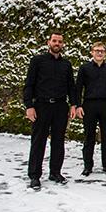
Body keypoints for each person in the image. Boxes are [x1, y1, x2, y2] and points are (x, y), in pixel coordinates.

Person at [23, 32, 77, 189]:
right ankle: (34, 175)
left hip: (60, 106)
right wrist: (29, 106)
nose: (57, 43)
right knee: (38, 141)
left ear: (63, 44)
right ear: (49, 42)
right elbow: (29, 85)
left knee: (58, 141)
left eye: (60, 41)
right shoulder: (37, 61)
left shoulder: (66, 64)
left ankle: (55, 172)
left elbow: (71, 87)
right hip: (42, 106)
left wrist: (73, 104)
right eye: (54, 41)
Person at [75, 42, 106, 176]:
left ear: (105, 53)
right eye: (97, 50)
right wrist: (78, 105)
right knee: (89, 136)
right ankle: (88, 165)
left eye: (102, 51)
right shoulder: (84, 68)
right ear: (92, 52)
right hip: (89, 105)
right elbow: (78, 87)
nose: (99, 53)